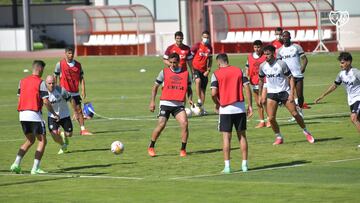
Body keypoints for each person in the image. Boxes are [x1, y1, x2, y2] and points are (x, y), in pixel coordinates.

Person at [10, 60, 60, 175]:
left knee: (30, 140)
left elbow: (19, 98)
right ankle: (35, 168)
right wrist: (54, 114)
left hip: (22, 115)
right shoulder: (41, 83)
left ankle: (16, 164)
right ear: (40, 69)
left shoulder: (21, 81)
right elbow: (46, 101)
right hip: (34, 114)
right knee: (42, 140)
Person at [259, 45, 315, 145]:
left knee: (295, 114)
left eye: (268, 54)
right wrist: (260, 95)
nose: (266, 56)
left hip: (284, 92)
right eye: (264, 54)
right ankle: (279, 137)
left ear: (273, 53)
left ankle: (306, 131)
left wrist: (291, 94)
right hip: (272, 93)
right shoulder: (263, 66)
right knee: (271, 118)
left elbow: (291, 78)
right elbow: (261, 80)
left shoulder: (281, 64)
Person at [211, 53, 253, 174]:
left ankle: (227, 167)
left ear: (218, 62)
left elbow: (213, 93)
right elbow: (247, 87)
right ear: (227, 60)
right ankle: (245, 164)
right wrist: (249, 105)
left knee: (226, 138)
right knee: (242, 136)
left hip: (225, 110)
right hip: (239, 108)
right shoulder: (239, 71)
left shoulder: (216, 74)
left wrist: (217, 103)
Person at [148, 53, 193, 157]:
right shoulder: (164, 72)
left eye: (174, 62)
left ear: (179, 62)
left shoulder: (186, 73)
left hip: (178, 105)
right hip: (165, 103)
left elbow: (189, 88)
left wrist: (190, 99)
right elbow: (155, 87)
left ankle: (183, 150)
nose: (172, 64)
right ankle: (151, 146)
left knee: (185, 124)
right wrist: (152, 102)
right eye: (171, 62)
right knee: (161, 125)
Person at [315, 52, 360, 142]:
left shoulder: (356, 73)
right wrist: (322, 95)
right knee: (358, 119)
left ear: (349, 62)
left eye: (342, 62)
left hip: (358, 98)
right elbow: (335, 85)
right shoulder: (341, 74)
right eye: (340, 62)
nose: (340, 65)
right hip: (351, 101)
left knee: (353, 118)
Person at [54, 46, 92, 136]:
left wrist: (83, 90)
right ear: (65, 53)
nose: (71, 55)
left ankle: (83, 130)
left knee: (79, 111)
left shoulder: (78, 65)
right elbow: (55, 76)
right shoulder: (60, 64)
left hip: (75, 91)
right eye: (69, 53)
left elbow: (81, 78)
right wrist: (55, 89)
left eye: (72, 53)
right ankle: (57, 128)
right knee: (59, 110)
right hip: (63, 91)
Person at [277, 31, 308, 121]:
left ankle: (300, 111)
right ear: (282, 38)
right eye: (283, 37)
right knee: (290, 96)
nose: (285, 38)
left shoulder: (296, 47)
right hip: (287, 77)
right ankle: (295, 114)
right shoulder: (279, 50)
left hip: (298, 75)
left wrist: (303, 67)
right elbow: (279, 64)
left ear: (290, 37)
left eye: (286, 36)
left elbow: (305, 59)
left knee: (300, 95)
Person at [245, 40, 270, 128]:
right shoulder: (250, 57)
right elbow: (247, 67)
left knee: (263, 101)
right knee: (258, 103)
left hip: (264, 82)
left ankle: (269, 119)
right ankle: (262, 121)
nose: (257, 49)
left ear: (262, 47)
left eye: (258, 47)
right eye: (255, 47)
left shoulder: (265, 56)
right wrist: (247, 75)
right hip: (253, 81)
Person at [45, 75, 73, 154]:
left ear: (55, 82)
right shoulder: (43, 92)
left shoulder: (61, 90)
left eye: (53, 83)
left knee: (69, 134)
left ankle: (63, 134)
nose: (51, 85)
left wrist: (76, 112)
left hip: (64, 115)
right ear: (46, 83)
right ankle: (63, 145)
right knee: (54, 134)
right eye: (49, 83)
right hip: (52, 116)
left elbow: (71, 99)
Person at [190, 30, 213, 113]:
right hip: (196, 69)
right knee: (198, 81)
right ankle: (199, 99)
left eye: (207, 37)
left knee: (203, 90)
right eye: (204, 37)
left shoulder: (209, 48)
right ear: (201, 37)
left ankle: (201, 108)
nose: (206, 39)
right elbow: (190, 57)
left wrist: (208, 70)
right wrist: (192, 69)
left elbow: (210, 60)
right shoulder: (197, 46)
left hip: (204, 71)